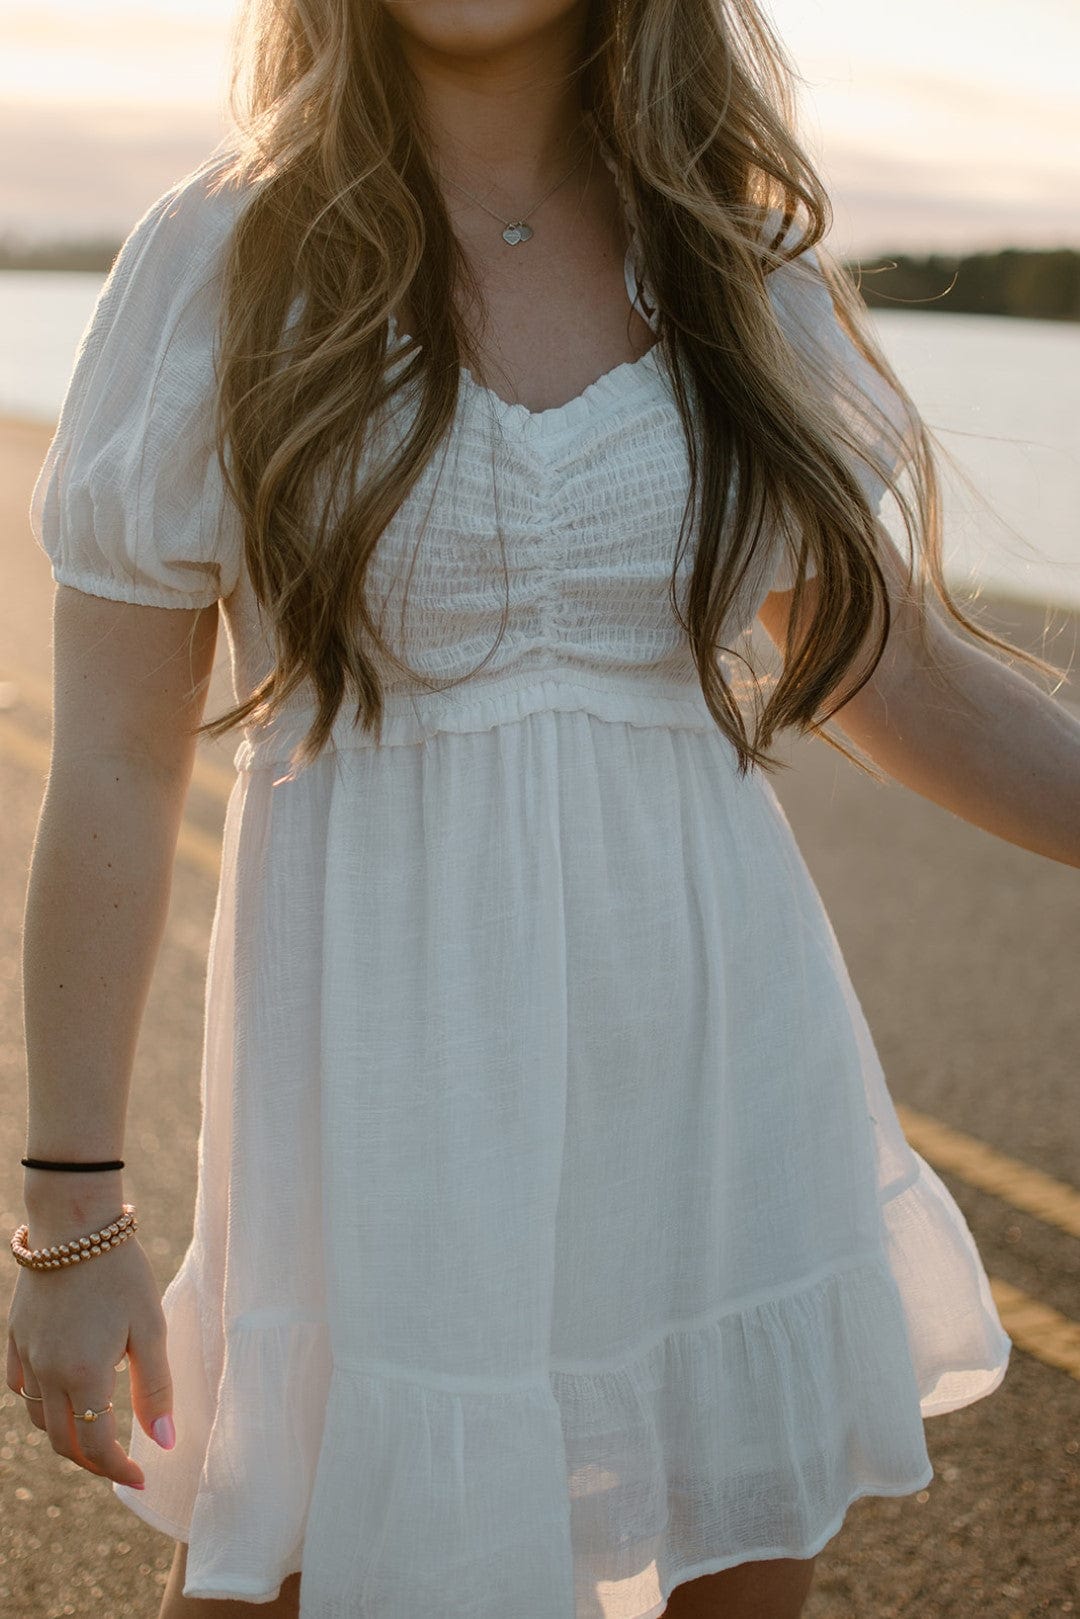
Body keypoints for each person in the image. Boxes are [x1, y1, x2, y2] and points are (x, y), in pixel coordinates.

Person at [9, 1, 1079, 1617]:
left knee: (736, 1561)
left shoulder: (735, 268)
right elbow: (112, 767)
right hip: (380, 1121)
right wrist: (72, 1214)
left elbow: (901, 678)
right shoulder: (221, 259)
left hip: (717, 1091)